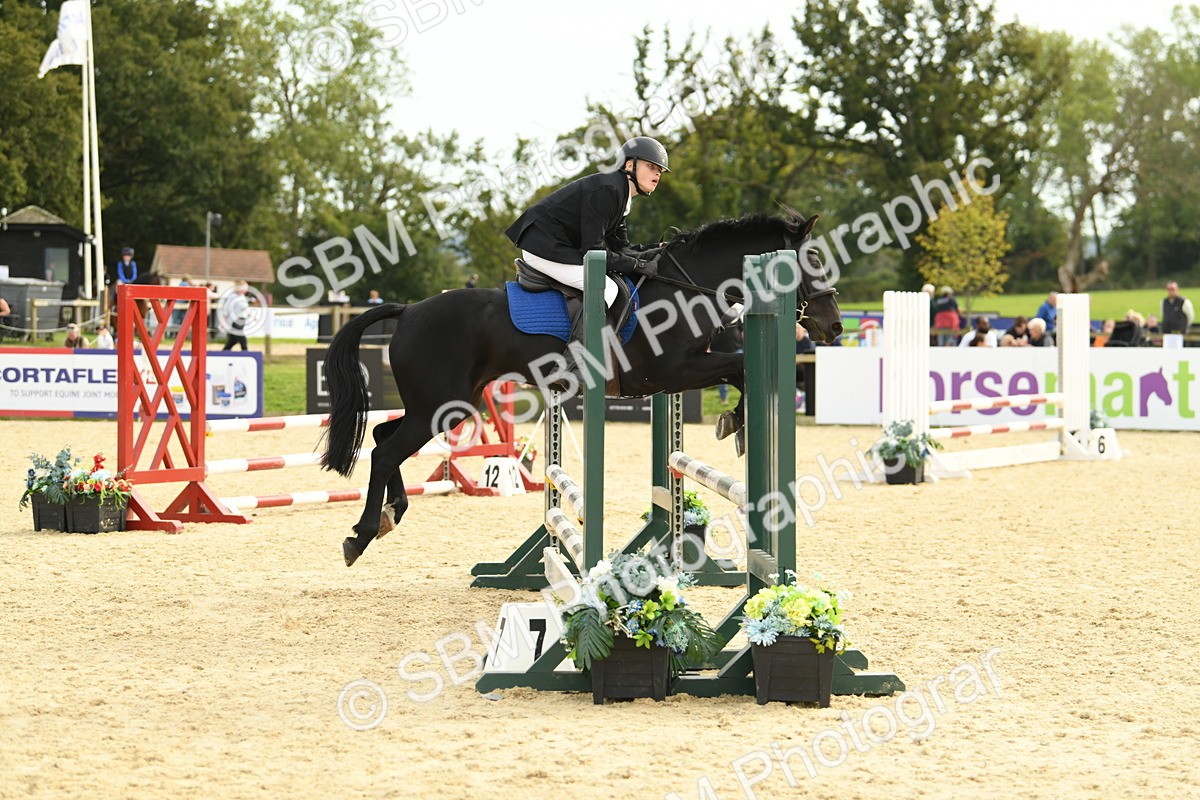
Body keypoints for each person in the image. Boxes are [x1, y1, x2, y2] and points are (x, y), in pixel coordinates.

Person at [505, 136, 668, 383]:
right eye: (652, 167)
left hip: (558, 247)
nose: (657, 175)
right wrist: (637, 265)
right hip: (543, 248)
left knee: (614, 280)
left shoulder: (622, 197)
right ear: (629, 165)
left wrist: (655, 252)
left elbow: (622, 249)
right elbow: (594, 252)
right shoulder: (608, 190)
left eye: (660, 171)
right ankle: (572, 367)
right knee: (606, 289)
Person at [221, 281, 250, 351]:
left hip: (242, 319)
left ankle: (224, 352)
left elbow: (245, 309)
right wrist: (223, 321)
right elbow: (226, 308)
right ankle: (245, 351)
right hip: (235, 320)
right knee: (240, 336)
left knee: (232, 340)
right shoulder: (232, 296)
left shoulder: (242, 297)